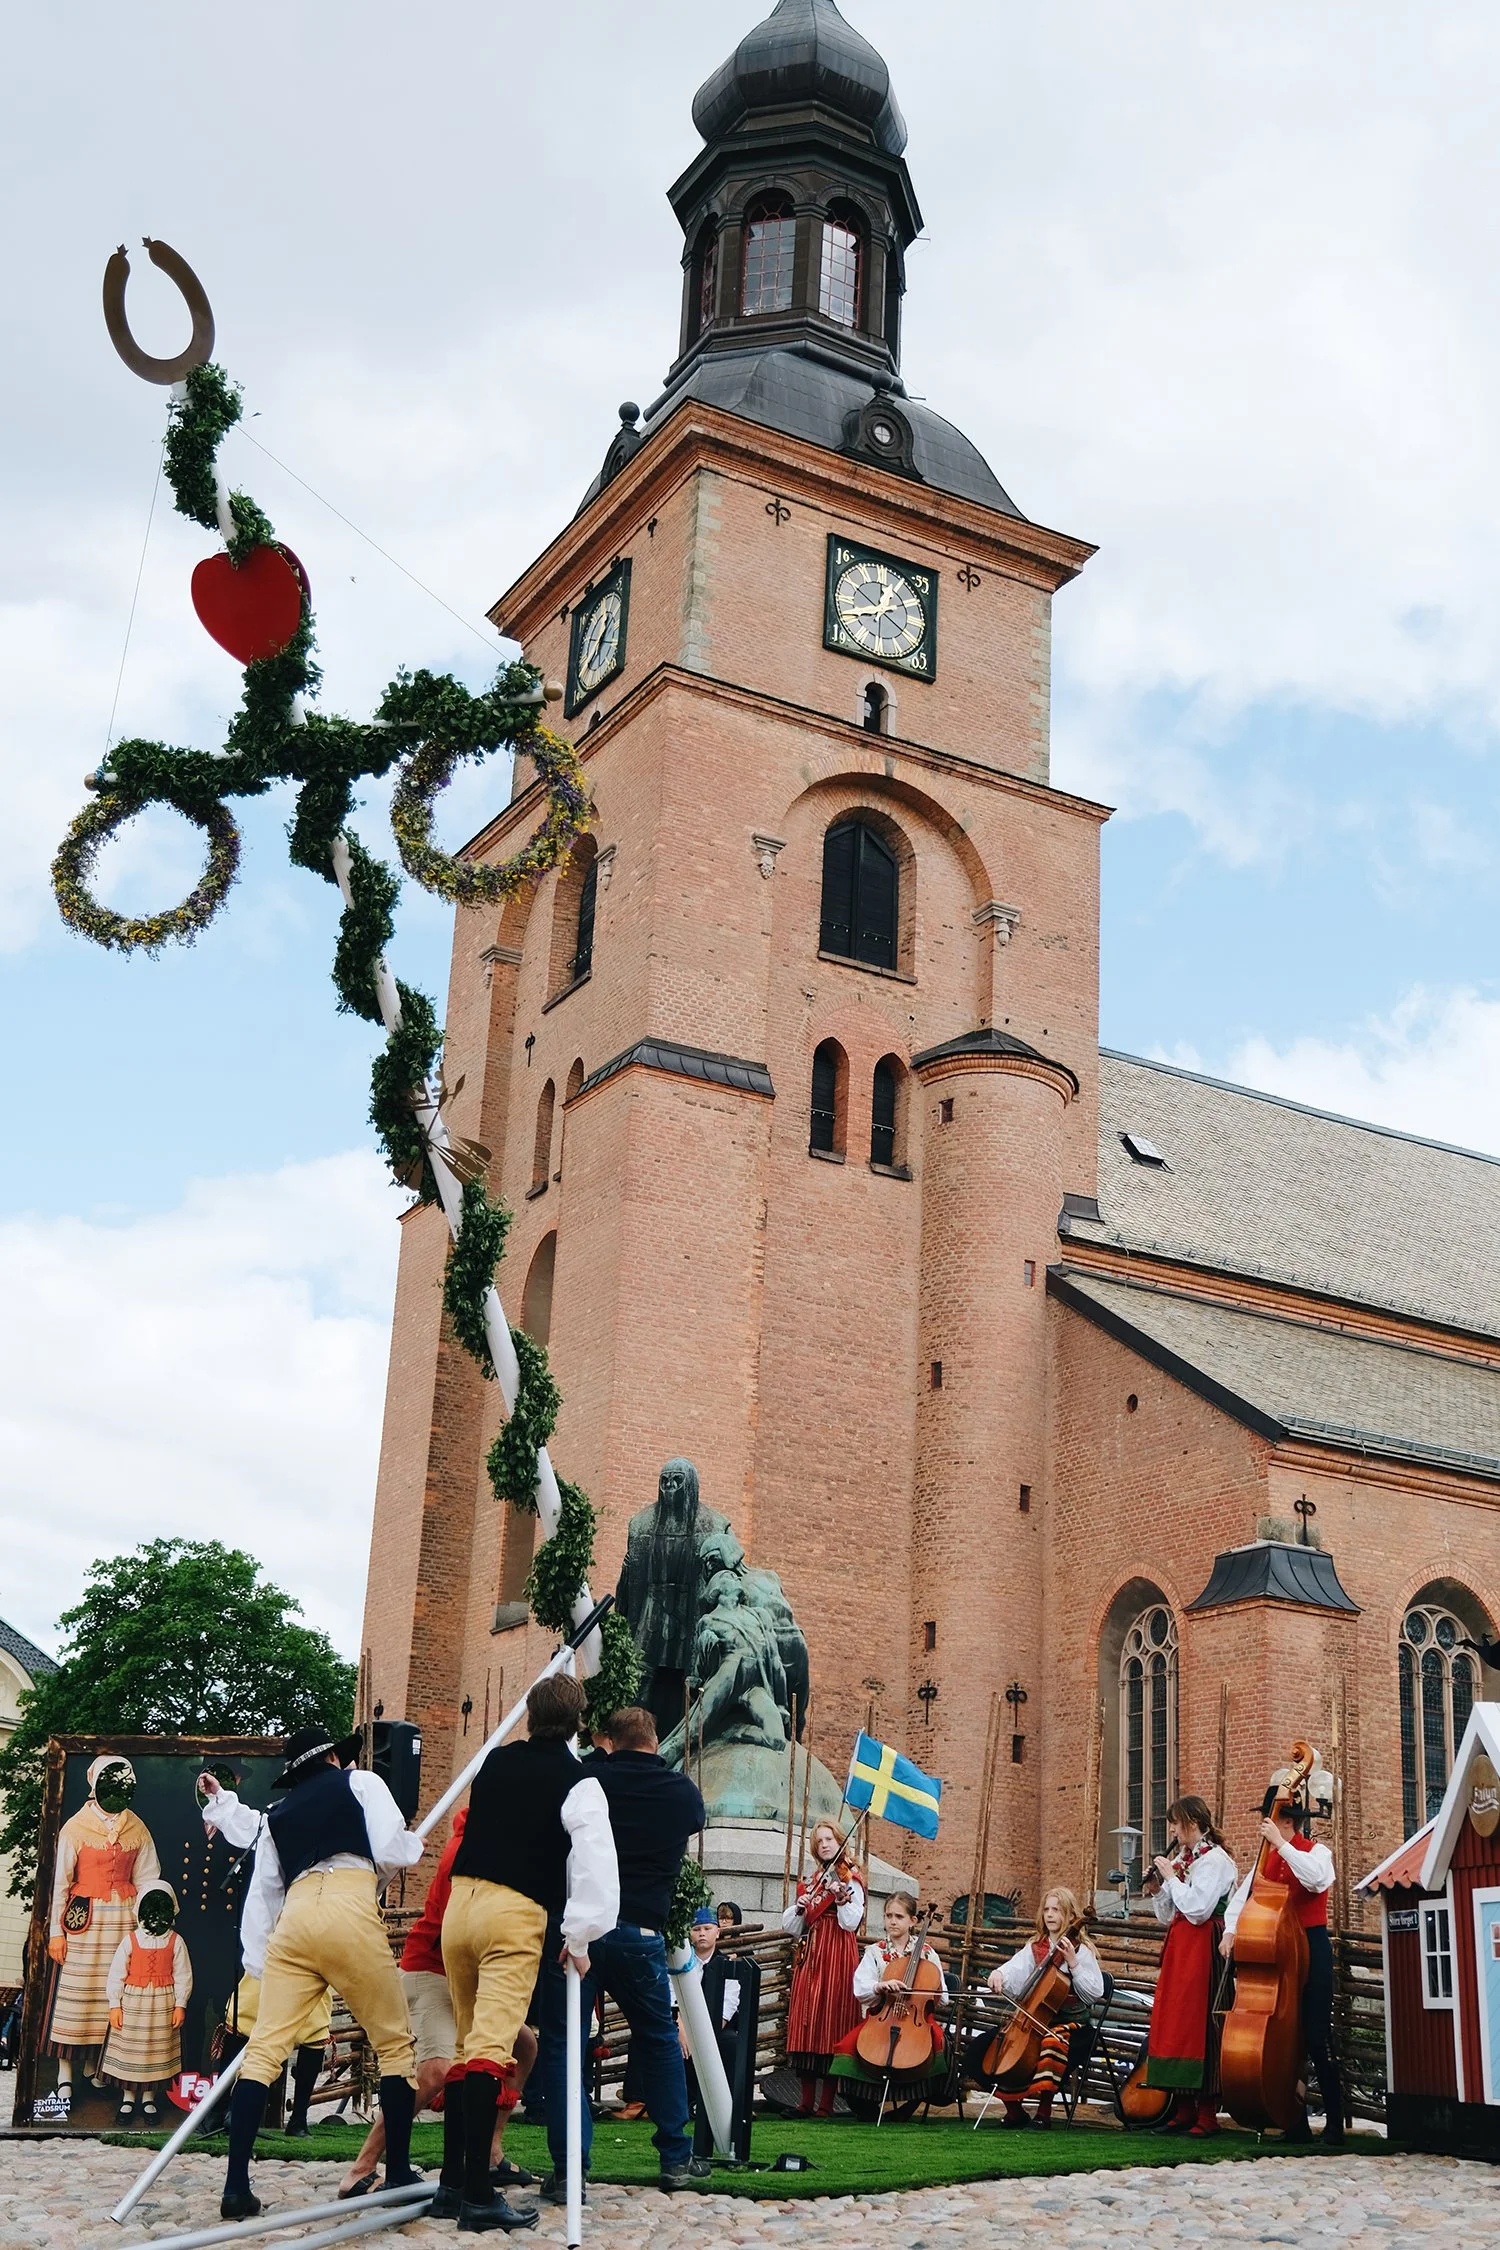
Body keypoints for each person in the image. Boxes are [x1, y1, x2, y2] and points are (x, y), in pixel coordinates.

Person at [214, 1722, 425, 2222]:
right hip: (350, 1904)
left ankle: (236, 2187)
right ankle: (395, 2172)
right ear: (333, 1758)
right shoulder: (363, 1783)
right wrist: (409, 1850)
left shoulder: (276, 1817)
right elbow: (393, 1851)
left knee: (264, 2051)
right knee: (395, 2045)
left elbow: (263, 1896)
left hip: (295, 1917)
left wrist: (262, 1964)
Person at [440, 1672, 618, 2232]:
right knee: (491, 2048)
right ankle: (475, 2194)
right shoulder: (580, 1781)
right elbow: (594, 1865)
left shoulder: (494, 1761)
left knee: (468, 2043)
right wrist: (580, 1936)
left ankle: (451, 2184)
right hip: (512, 1914)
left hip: (459, 1906)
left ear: (530, 1715)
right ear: (580, 1721)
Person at [536, 1704, 705, 2199]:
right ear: (654, 1742)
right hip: (642, 1933)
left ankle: (571, 2169)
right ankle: (675, 2157)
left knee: (565, 2043)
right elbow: (694, 1819)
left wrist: (599, 1758)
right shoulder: (678, 1791)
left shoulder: (589, 1780)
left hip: (579, 1932)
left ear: (608, 1741)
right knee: (657, 2040)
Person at [337, 1807, 537, 2202]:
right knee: (437, 2072)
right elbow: (466, 1926)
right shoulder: (464, 1852)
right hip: (432, 1972)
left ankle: (492, 2152)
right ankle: (361, 2168)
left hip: (466, 1977)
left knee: (524, 2046)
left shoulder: (491, 1846)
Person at [35, 1755, 160, 2122]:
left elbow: (148, 1877)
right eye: (111, 1778)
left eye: (124, 1779)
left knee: (112, 1991)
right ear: (96, 1783)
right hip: (83, 1920)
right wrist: (55, 1931)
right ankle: (65, 2075)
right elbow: (59, 1882)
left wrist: (147, 1925)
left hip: (123, 1920)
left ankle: (96, 2066)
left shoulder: (137, 1828)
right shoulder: (76, 1826)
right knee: (77, 1995)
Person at [1221, 1783, 1344, 2147]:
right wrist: (1230, 1931)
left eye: (1269, 1818)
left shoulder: (1317, 1851)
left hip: (1311, 1946)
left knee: (1316, 2037)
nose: (1264, 1824)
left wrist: (1283, 1845)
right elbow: (1242, 1899)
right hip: (1277, 1955)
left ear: (1285, 1821)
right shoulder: (1265, 1859)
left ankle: (1335, 2126)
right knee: (1283, 2038)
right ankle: (1294, 2122)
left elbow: (1316, 1879)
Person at [1141, 1795, 1237, 2135]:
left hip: (1205, 1946)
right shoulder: (1184, 1858)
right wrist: (1157, 1889)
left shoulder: (1216, 1861)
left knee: (1202, 2023)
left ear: (1192, 1823)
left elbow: (1198, 1909)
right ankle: (1182, 2110)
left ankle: (1207, 2115)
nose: (1171, 1829)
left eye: (1175, 1822)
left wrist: (1171, 1877)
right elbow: (1170, 1914)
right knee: (1176, 2022)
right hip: (1180, 1946)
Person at [982, 1887, 1103, 2128]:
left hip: (1073, 2025)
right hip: (1036, 2022)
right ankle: (1015, 2111)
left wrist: (1073, 1963)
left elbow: (1093, 1993)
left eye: (1056, 1910)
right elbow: (1014, 1969)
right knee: (984, 2047)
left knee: (1052, 2043)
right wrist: (998, 1974)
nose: (1049, 1914)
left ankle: (1044, 2113)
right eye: (1046, 1909)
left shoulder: (1081, 1951)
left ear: (1070, 1916)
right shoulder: (1036, 1947)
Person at [829, 1890, 946, 2113]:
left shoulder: (929, 1954)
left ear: (913, 1921)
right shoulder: (875, 1952)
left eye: (899, 1917)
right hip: (883, 2016)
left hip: (917, 2020)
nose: (892, 1921)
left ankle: (911, 2102)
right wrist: (879, 1986)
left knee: (939, 2044)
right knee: (847, 2045)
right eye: (888, 1915)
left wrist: (930, 1990)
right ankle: (864, 2104)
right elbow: (860, 1988)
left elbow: (944, 1999)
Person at [781, 1821, 865, 2117]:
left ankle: (826, 2104)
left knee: (832, 2019)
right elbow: (793, 1927)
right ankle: (804, 2102)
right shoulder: (813, 1880)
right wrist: (801, 1906)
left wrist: (841, 1897)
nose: (825, 1844)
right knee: (807, 2021)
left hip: (838, 1953)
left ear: (839, 1840)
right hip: (813, 1952)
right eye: (819, 1841)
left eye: (829, 1839)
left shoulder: (850, 1877)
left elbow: (851, 1923)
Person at [100, 1879, 192, 2124]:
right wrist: (114, 2005)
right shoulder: (130, 1941)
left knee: (154, 2050)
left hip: (162, 2006)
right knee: (132, 2050)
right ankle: (128, 2098)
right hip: (133, 2005)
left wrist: (180, 2004)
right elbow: (116, 1973)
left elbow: (183, 1974)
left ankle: (149, 2098)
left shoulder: (176, 1942)